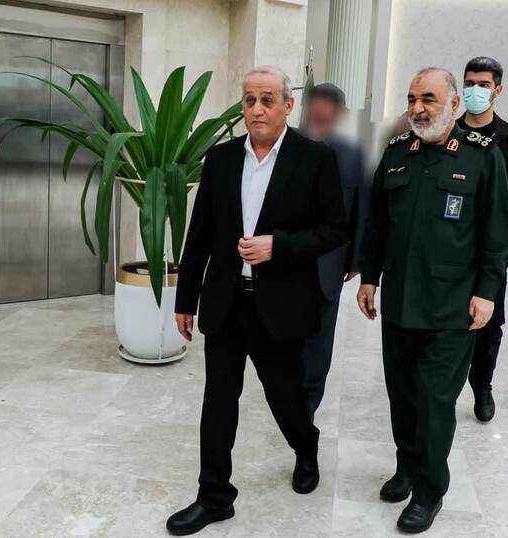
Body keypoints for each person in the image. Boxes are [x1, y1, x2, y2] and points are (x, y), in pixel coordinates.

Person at [166, 66, 347, 536]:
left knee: (285, 397)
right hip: (226, 302)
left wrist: (277, 246)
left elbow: (334, 230)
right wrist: (185, 299)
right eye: (249, 100)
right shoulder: (221, 158)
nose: (257, 109)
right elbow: (200, 234)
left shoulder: (315, 159)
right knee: (218, 401)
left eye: (267, 99)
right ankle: (214, 496)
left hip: (280, 305)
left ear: (288, 105)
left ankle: (306, 447)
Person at [357, 68, 508, 534]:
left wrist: (486, 292)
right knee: (402, 394)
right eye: (412, 99)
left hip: (451, 307)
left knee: (434, 399)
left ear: (453, 105)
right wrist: (369, 278)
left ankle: (429, 490)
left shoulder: (482, 157)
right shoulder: (396, 153)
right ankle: (407, 467)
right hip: (401, 303)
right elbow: (376, 223)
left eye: (428, 98)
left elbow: (497, 233)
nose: (417, 108)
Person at [455, 56, 508, 423]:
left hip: (493, 253)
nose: (475, 90)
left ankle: (482, 386)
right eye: (469, 83)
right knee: (448, 323)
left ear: (497, 90)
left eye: (483, 85)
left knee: (489, 325)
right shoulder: (448, 134)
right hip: (450, 248)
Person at [299, 82, 369, 415]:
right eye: (314, 115)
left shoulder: (352, 155)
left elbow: (360, 208)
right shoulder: (285, 146)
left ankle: (309, 402)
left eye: (326, 118)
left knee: (319, 338)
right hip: (285, 261)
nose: (319, 122)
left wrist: (355, 260)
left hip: (327, 264)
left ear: (338, 116)